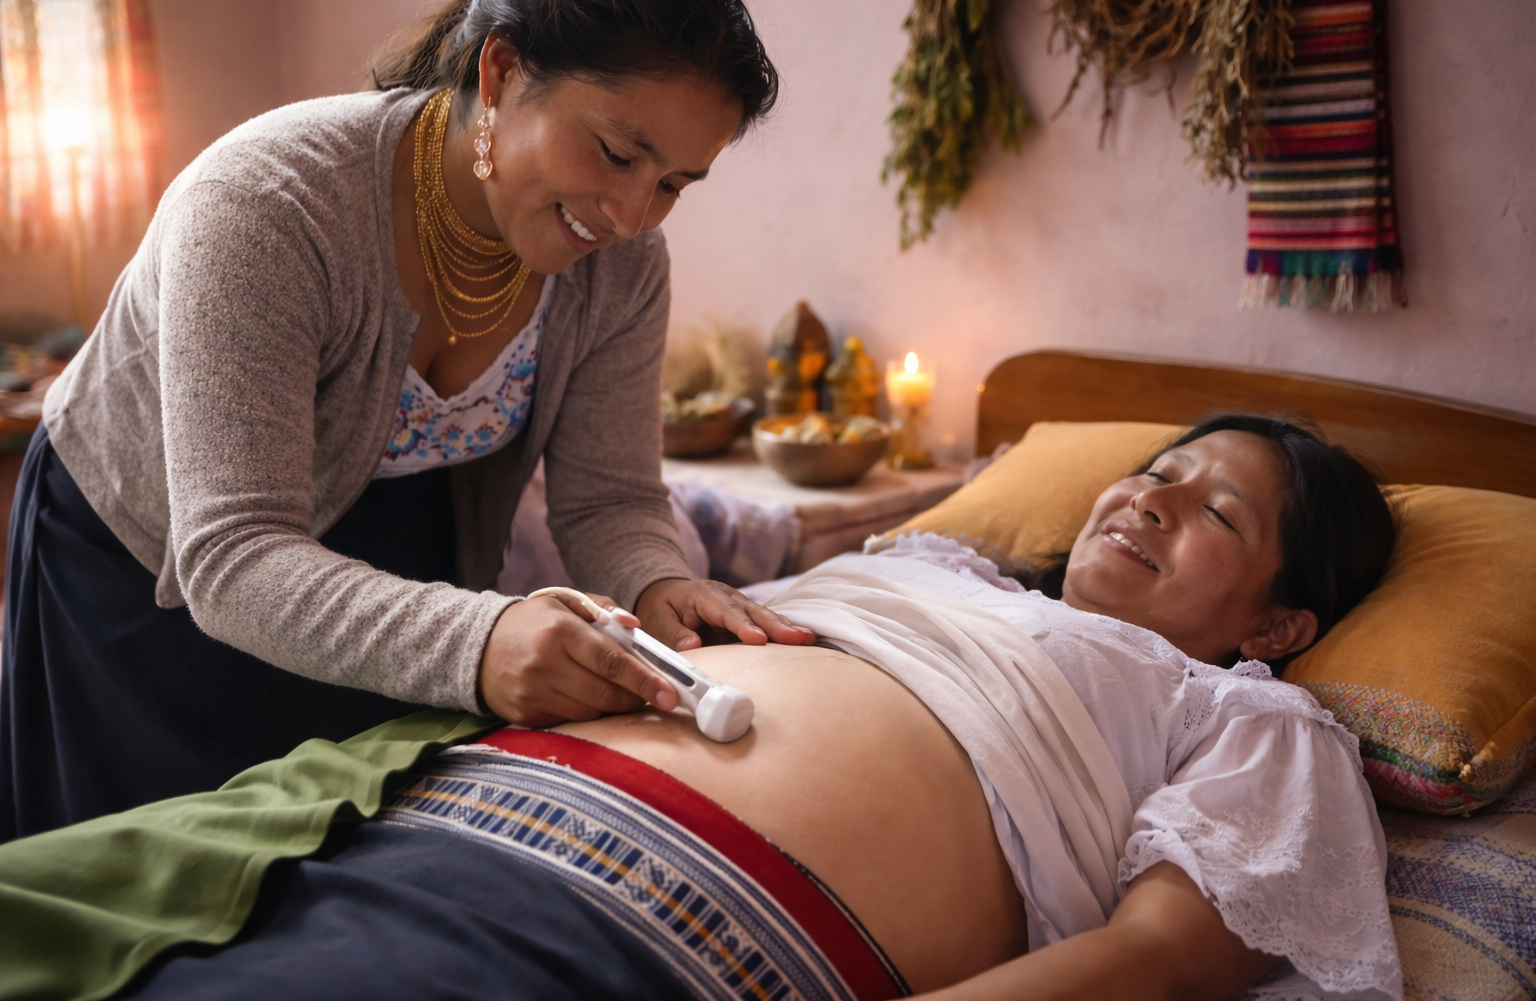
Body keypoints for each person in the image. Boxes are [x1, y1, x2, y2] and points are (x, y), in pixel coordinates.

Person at [0, 414, 1403, 1001]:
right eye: (1157, 468)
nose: (1151, 494)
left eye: (1214, 507)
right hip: (414, 797)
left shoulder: (1256, 722)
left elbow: (1158, 968)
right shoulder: (933, 565)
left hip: (654, 911)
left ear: (1280, 622)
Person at [0, 0, 818, 843]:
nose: (630, 215)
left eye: (674, 184)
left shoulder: (622, 265)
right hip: (151, 565)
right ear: (500, 72)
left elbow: (608, 497)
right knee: (156, 887)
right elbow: (234, 555)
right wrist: (479, 640)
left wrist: (658, 582)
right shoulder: (268, 204)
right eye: (617, 154)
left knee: (341, 872)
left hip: (384, 552)